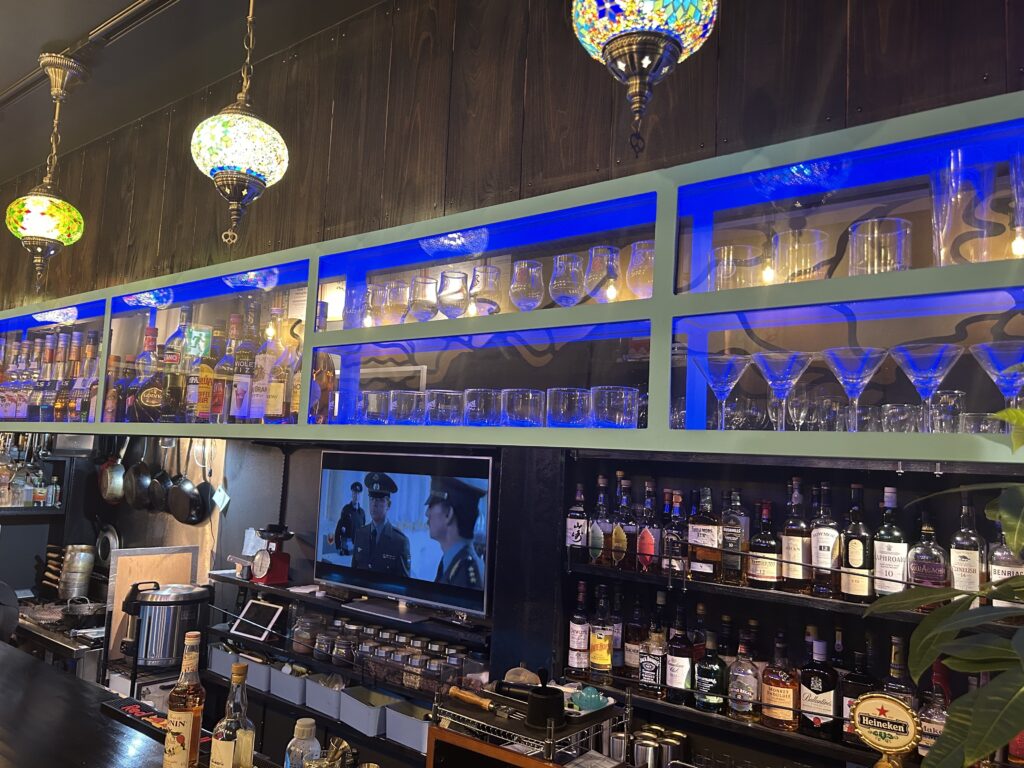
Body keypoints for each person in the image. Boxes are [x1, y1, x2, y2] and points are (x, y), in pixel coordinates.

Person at [425, 476, 486, 589]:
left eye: (431, 505)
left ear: (448, 514)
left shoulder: (466, 571)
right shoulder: (451, 560)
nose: (427, 513)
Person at [351, 472, 411, 577]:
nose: (374, 504)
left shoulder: (400, 542)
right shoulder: (360, 533)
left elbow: (403, 583)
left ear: (388, 505)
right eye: (372, 499)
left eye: (380, 500)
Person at [334, 481, 365, 555]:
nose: (356, 496)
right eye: (354, 493)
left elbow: (363, 532)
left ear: (360, 495)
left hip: (357, 551)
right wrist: (338, 546)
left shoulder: (362, 513)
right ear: (352, 494)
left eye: (358, 494)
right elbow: (338, 528)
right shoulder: (346, 509)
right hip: (346, 550)